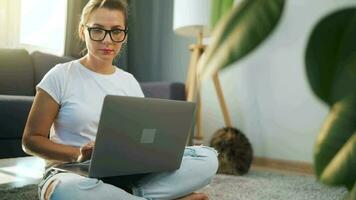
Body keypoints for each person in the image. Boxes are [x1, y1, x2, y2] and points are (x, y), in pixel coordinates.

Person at [21, 0, 218, 199]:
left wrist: (153, 153)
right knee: (65, 192)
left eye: (116, 31)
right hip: (71, 172)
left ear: (124, 35)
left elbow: (142, 136)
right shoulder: (60, 76)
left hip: (125, 174)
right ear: (82, 31)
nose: (108, 40)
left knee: (207, 158)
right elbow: (30, 141)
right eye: (97, 30)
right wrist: (77, 153)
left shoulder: (129, 81)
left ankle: (129, 195)